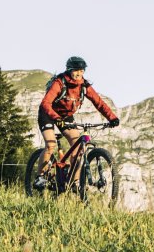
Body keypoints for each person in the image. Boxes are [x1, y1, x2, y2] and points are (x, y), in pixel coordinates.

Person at [33, 56, 120, 189]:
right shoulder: (60, 82)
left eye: (82, 70)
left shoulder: (84, 86)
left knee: (78, 148)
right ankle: (40, 177)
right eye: (76, 70)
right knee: (50, 144)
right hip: (48, 114)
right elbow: (46, 103)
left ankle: (73, 182)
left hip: (66, 116)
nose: (79, 74)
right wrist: (56, 118)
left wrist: (112, 118)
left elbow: (99, 103)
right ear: (69, 70)